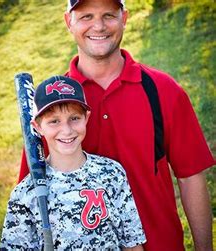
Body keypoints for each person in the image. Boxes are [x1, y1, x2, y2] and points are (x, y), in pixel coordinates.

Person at [18, 1, 214, 250]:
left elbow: (191, 178)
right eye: (86, 16)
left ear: (124, 18)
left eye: (108, 15)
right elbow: (30, 196)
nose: (98, 26)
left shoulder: (163, 90)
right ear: (69, 22)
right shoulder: (51, 108)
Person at [2, 76, 146, 250]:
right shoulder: (25, 195)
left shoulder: (111, 173)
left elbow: (132, 244)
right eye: (54, 121)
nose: (67, 130)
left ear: (86, 117)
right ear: (37, 127)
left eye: (74, 118)